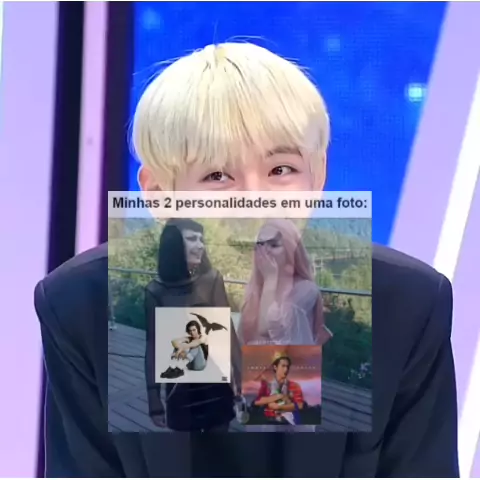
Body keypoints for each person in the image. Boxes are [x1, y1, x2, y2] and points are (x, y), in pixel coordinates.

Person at [35, 42, 458, 477]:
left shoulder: (406, 305)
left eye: (280, 170)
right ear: (160, 195)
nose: (255, 201)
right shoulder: (81, 304)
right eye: (218, 175)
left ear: (318, 176)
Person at [144, 218, 239, 432]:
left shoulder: (212, 280)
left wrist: (240, 378)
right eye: (192, 238)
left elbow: (227, 332)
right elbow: (153, 346)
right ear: (173, 244)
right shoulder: (155, 291)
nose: (200, 245)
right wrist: (153, 398)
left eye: (201, 239)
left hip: (217, 385)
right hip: (180, 389)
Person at [239, 218, 332, 346]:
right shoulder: (255, 289)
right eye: (260, 244)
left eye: (274, 245)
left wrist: (270, 279)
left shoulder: (306, 289)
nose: (265, 251)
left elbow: (268, 329)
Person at [253, 352, 304, 425]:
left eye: (287, 366)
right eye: (283, 366)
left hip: (289, 422)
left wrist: (278, 406)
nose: (286, 369)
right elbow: (257, 402)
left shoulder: (295, 386)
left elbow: (300, 405)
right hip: (270, 422)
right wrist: (280, 397)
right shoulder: (268, 386)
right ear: (275, 367)